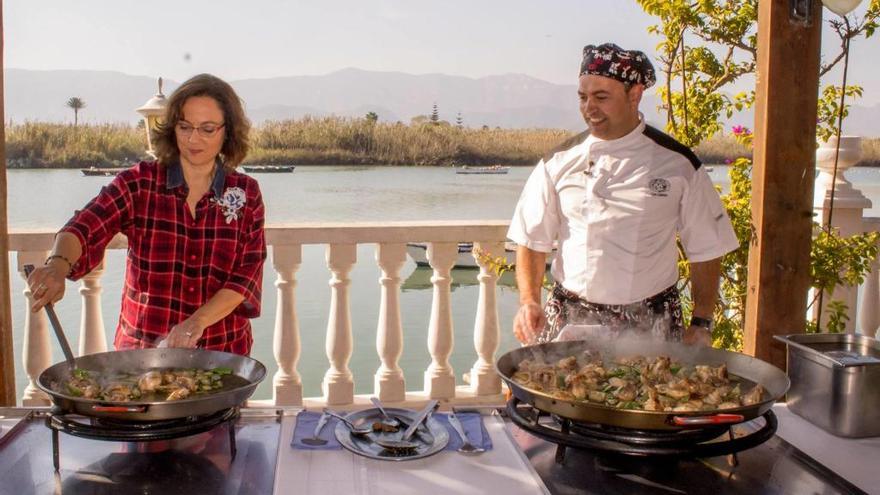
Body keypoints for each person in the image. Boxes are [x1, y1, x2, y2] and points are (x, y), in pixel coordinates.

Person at [508, 43, 739, 346]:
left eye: (601, 97)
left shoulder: (679, 164)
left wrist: (702, 321)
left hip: (651, 319)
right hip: (571, 316)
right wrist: (528, 301)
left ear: (635, 95)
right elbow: (532, 240)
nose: (589, 108)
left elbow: (707, 247)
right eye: (583, 97)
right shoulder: (558, 162)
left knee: (652, 396)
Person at [26, 73, 266, 355]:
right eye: (185, 126)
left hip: (221, 354)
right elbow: (85, 224)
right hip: (142, 356)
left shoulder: (245, 193)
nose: (193, 138)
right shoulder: (140, 183)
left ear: (228, 131)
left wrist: (196, 322)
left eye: (207, 129)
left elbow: (245, 277)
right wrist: (57, 266)